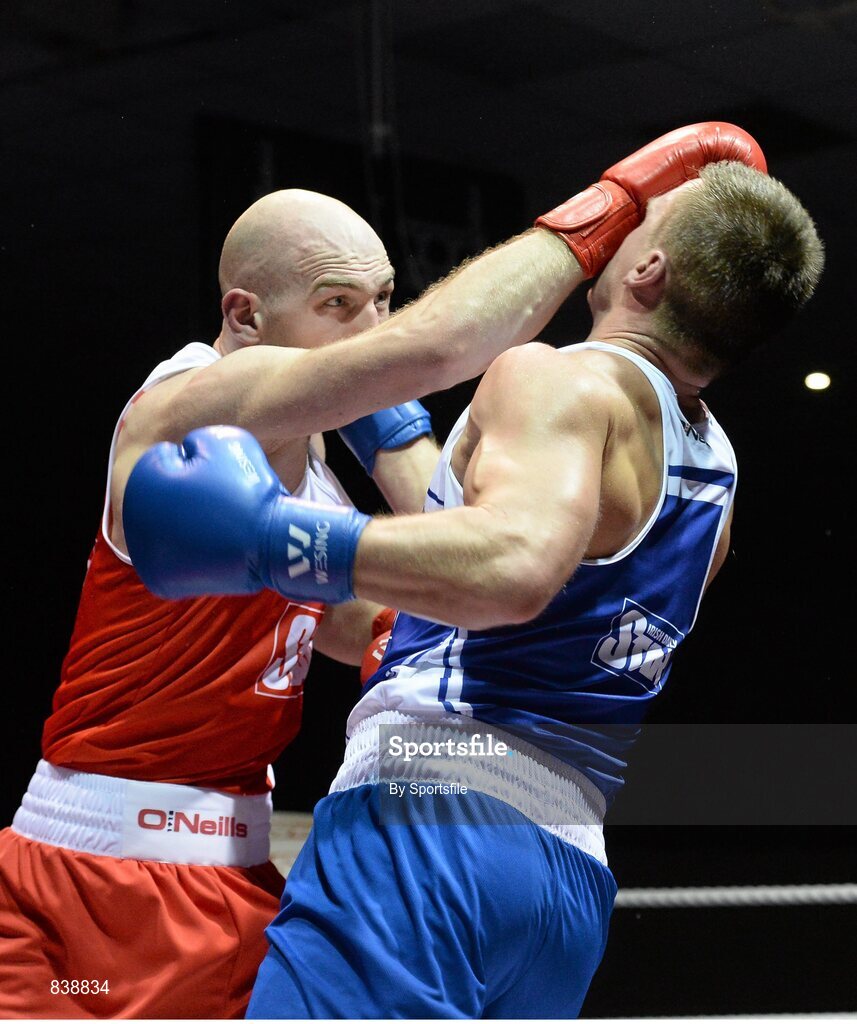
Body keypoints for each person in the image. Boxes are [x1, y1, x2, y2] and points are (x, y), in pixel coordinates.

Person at [0, 124, 753, 1018]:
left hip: (229, 887)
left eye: (385, 299)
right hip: (76, 870)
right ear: (246, 315)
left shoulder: (297, 500)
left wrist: (392, 440)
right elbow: (433, 349)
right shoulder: (181, 417)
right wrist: (612, 207)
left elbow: (423, 592)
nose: (371, 328)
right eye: (338, 305)